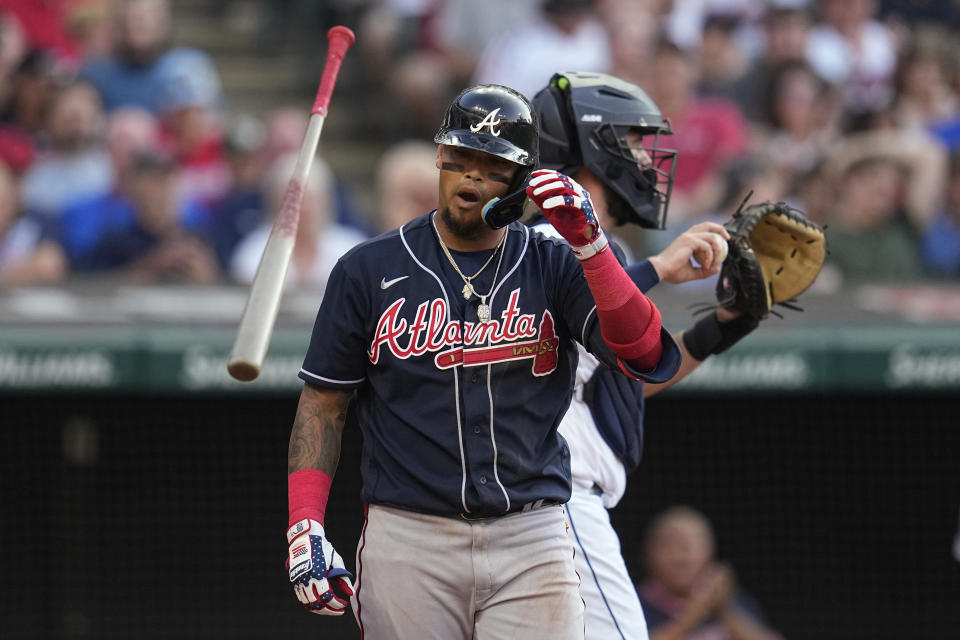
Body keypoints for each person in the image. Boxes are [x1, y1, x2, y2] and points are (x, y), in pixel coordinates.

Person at [283, 83, 683, 638]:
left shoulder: (554, 261)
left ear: (523, 180)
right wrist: (305, 522)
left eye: (492, 166)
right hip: (409, 536)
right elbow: (323, 404)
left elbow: (643, 355)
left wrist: (591, 247)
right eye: (460, 158)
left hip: (532, 536)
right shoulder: (366, 269)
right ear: (439, 160)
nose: (471, 176)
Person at [529, 71, 761, 640]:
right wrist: (657, 270)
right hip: (556, 501)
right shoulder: (547, 242)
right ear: (590, 147)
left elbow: (628, 376)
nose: (646, 159)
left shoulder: (593, 249)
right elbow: (566, 321)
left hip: (541, 504)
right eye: (630, 142)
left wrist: (721, 329)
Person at [637, 506, 783, 640]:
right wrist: (693, 615)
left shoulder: (732, 600)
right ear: (648, 554)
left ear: (710, 554)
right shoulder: (635, 603)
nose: (681, 559)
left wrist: (723, 609)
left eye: (688, 546)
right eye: (670, 546)